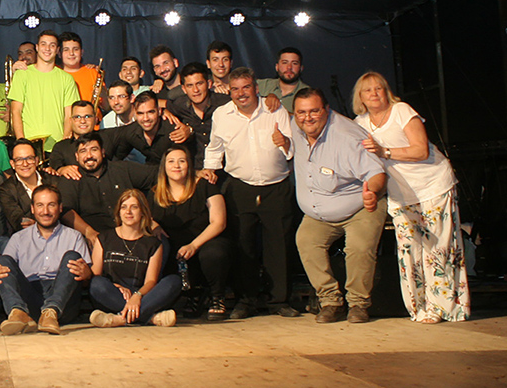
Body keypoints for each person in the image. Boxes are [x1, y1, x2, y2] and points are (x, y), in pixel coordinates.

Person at [353, 72, 469, 323]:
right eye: (367, 90)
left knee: (438, 248)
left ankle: (444, 308)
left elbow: (421, 149)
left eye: (379, 88)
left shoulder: (402, 110)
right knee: (409, 250)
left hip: (431, 185)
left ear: (387, 91)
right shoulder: (359, 123)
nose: (374, 93)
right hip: (401, 193)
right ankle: (419, 307)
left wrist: (384, 151)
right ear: (360, 98)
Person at [200, 67, 298, 319]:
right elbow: (215, 147)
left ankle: (279, 301)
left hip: (276, 186)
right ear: (229, 91)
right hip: (240, 187)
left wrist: (284, 143)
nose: (241, 93)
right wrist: (209, 170)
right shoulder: (222, 114)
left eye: (246, 87)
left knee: (278, 247)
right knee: (243, 247)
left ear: (256, 88)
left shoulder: (275, 109)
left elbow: (292, 148)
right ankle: (246, 300)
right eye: (235, 89)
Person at [288, 88, 388, 324]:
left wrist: (372, 192)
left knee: (359, 246)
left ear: (327, 110)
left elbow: (376, 173)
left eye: (314, 111)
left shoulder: (347, 137)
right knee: (306, 240)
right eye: (301, 112)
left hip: (359, 206)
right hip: (318, 212)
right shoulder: (295, 125)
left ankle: (358, 304)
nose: (308, 118)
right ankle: (331, 302)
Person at [0, 184, 91, 335]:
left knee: (72, 257)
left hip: (63, 300)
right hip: (30, 298)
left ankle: (51, 312)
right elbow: (4, 271)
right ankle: (17, 313)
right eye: (40, 205)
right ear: (33, 209)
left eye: (51, 205)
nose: (46, 211)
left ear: (60, 208)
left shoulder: (74, 237)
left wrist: (87, 274)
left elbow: (84, 280)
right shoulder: (18, 238)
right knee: (3, 261)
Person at [151, 147, 230, 321]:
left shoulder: (205, 185)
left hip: (205, 241)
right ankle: (194, 295)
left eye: (182, 161)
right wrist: (154, 225)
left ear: (189, 164)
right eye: (171, 161)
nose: (176, 166)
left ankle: (217, 298)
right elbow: (143, 216)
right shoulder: (156, 193)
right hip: (176, 248)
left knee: (214, 253)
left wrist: (194, 245)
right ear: (164, 166)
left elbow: (219, 222)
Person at [88, 189, 178, 327]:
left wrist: (137, 296)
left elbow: (151, 281)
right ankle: (150, 318)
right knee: (96, 284)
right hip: (113, 295)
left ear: (143, 212)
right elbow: (96, 274)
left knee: (174, 281)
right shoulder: (104, 238)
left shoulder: (153, 243)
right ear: (118, 211)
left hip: (142, 296)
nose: (128, 212)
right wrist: (115, 286)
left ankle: (119, 318)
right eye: (124, 207)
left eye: (134, 207)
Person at [65, 133, 160, 244]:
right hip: (94, 239)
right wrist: (89, 233)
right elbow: (66, 211)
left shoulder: (123, 169)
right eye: (83, 151)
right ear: (77, 156)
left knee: (161, 241)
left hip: (133, 234)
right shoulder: (71, 178)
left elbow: (157, 176)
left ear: (103, 152)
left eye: (94, 149)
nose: (89, 155)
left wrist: (152, 220)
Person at [9, 30, 77, 152]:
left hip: (56, 147)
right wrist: (21, 142)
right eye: (44, 44)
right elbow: (16, 111)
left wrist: (63, 144)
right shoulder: (22, 75)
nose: (47, 48)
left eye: (52, 45)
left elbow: (69, 115)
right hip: (28, 145)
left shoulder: (67, 79)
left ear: (57, 50)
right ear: (37, 47)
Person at [165, 62, 229, 168]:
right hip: (195, 170)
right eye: (190, 85)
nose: (195, 90)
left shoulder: (225, 104)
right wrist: (164, 112)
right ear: (184, 89)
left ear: (209, 84)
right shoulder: (179, 105)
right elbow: (157, 105)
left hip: (224, 168)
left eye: (199, 83)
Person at [0, 139, 46, 235]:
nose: (25, 164)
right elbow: (19, 221)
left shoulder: (52, 180)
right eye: (19, 160)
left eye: (29, 158)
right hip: (26, 239)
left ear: (36, 160)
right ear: (12, 164)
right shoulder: (6, 189)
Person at [44, 100, 101, 179]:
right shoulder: (61, 147)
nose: (82, 121)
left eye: (87, 116)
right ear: (71, 121)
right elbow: (54, 167)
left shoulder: (106, 138)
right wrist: (61, 170)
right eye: (77, 117)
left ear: (95, 119)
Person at [258, 47, 309, 113]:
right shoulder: (261, 85)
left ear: (301, 68)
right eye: (285, 62)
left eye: (294, 63)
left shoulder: (309, 94)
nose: (289, 67)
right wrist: (264, 100)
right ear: (277, 67)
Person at [59, 32, 100, 107]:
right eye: (66, 50)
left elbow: (107, 106)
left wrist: (102, 93)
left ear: (82, 52)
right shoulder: (55, 73)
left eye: (75, 49)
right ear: (59, 53)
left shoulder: (93, 72)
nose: (71, 53)